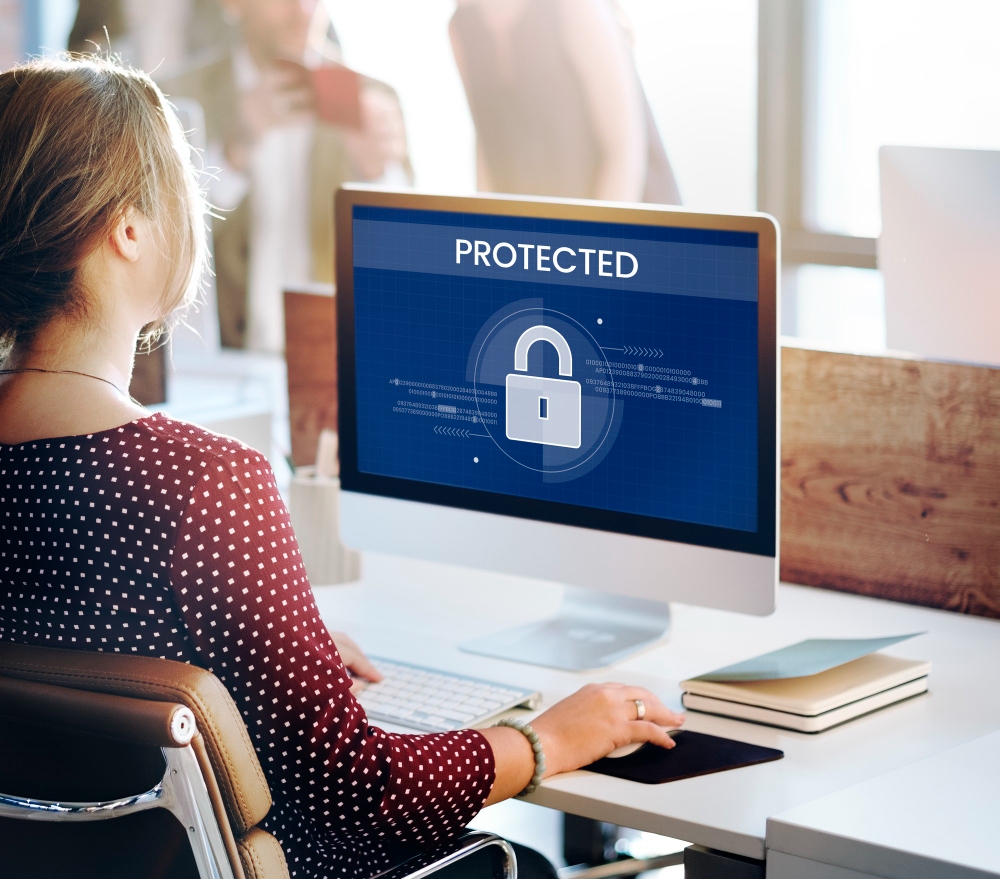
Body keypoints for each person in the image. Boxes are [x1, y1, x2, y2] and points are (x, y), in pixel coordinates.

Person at [0, 57, 684, 879]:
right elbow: (358, 792)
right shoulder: (204, 486)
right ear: (129, 229)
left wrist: (273, 642)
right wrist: (548, 740)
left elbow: (74, 642)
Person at [162, 0, 410, 353]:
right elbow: (159, 246)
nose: (304, 11)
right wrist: (233, 155)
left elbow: (405, 263)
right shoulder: (176, 96)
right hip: (216, 360)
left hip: (332, 356)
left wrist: (376, 174)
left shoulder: (374, 98)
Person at [450, 0, 680, 205]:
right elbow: (489, 144)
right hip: (545, 232)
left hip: (625, 219)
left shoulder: (575, 6)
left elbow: (625, 151)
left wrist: (588, 243)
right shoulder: (461, 28)